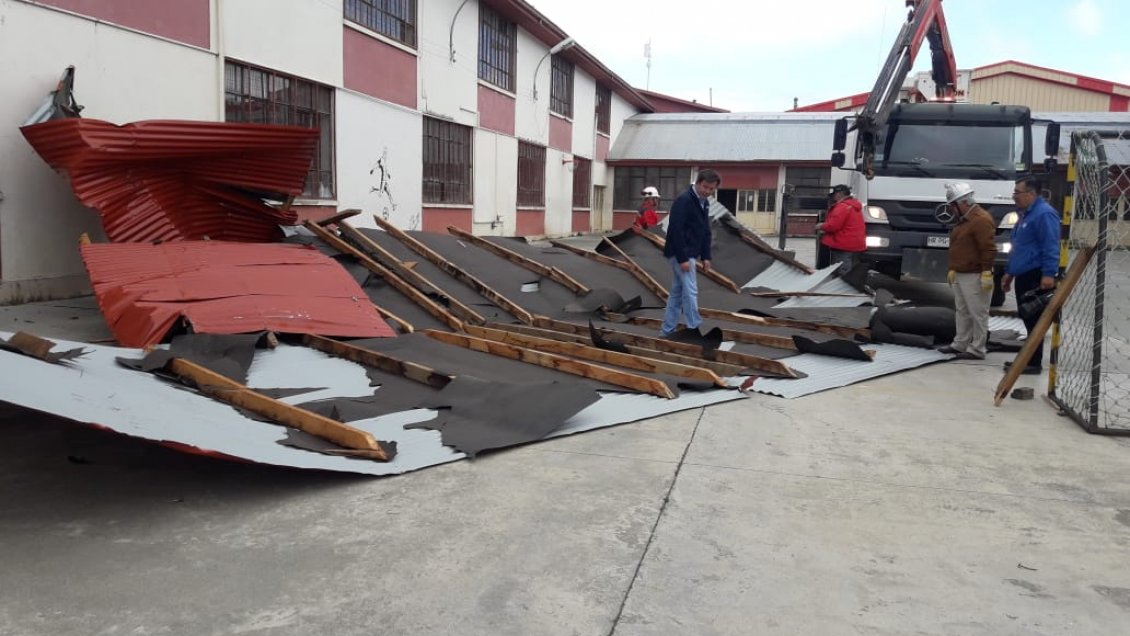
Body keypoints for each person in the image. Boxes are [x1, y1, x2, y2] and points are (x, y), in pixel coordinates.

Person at [1001, 176, 1060, 375]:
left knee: (1035, 319)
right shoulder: (1025, 215)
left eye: (1017, 192)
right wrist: (1009, 273)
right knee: (1026, 318)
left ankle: (1033, 363)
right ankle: (1027, 358)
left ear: (1031, 194)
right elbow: (1018, 247)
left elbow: (1050, 245)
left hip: (1036, 275)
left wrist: (1048, 274)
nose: (1014, 196)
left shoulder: (1044, 215)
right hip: (1023, 274)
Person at [937, 182, 996, 360]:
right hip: (962, 273)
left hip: (975, 274)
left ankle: (977, 348)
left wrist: (986, 272)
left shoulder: (981, 220)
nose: (951, 211)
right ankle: (960, 343)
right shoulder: (965, 220)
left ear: (963, 203)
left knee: (977, 313)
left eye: (953, 206)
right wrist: (954, 268)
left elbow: (988, 248)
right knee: (962, 311)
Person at [659, 169, 720, 337]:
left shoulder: (704, 202)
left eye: (711, 189)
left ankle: (666, 331)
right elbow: (675, 230)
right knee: (690, 290)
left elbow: (704, 230)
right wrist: (683, 258)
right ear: (698, 183)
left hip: (690, 253)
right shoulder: (684, 200)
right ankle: (694, 328)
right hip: (680, 253)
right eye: (705, 187)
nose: (707, 191)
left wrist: (706, 256)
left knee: (677, 294)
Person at [816, 184, 866, 273]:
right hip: (855, 244)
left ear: (840, 194)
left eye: (834, 194)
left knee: (841, 273)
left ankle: (842, 285)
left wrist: (820, 226)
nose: (834, 197)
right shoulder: (854, 206)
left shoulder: (842, 207)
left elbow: (833, 226)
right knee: (852, 272)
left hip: (843, 245)